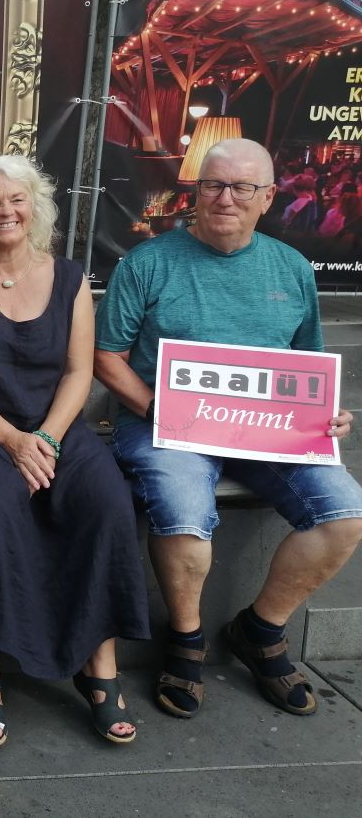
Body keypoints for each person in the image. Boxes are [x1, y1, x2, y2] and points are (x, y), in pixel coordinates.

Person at [95, 137, 362, 720]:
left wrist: (327, 415)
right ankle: (186, 641)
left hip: (268, 428)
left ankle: (261, 630)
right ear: (195, 192)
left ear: (267, 197)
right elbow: (106, 356)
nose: (225, 198)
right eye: (213, 185)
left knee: (345, 515)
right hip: (166, 425)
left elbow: (307, 362)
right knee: (185, 513)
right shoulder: (147, 263)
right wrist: (154, 409)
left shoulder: (291, 269)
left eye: (242, 188)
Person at [0, 154, 150, 747]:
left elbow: (81, 372)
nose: (6, 211)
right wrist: (11, 439)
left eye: (16, 199)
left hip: (57, 429)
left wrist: (46, 438)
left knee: (106, 502)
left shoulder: (71, 278)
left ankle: (100, 667)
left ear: (36, 208)